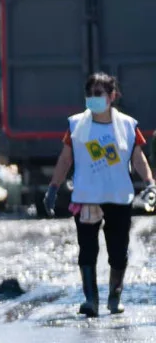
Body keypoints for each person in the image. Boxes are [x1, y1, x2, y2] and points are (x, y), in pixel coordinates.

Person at [43, 72, 154, 316]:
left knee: (118, 251)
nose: (93, 99)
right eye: (90, 94)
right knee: (87, 249)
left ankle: (114, 295)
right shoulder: (76, 124)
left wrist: (149, 183)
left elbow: (137, 157)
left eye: (99, 94)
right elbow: (65, 159)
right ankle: (90, 300)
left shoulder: (127, 125)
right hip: (87, 197)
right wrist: (53, 187)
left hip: (118, 196)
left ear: (112, 96)